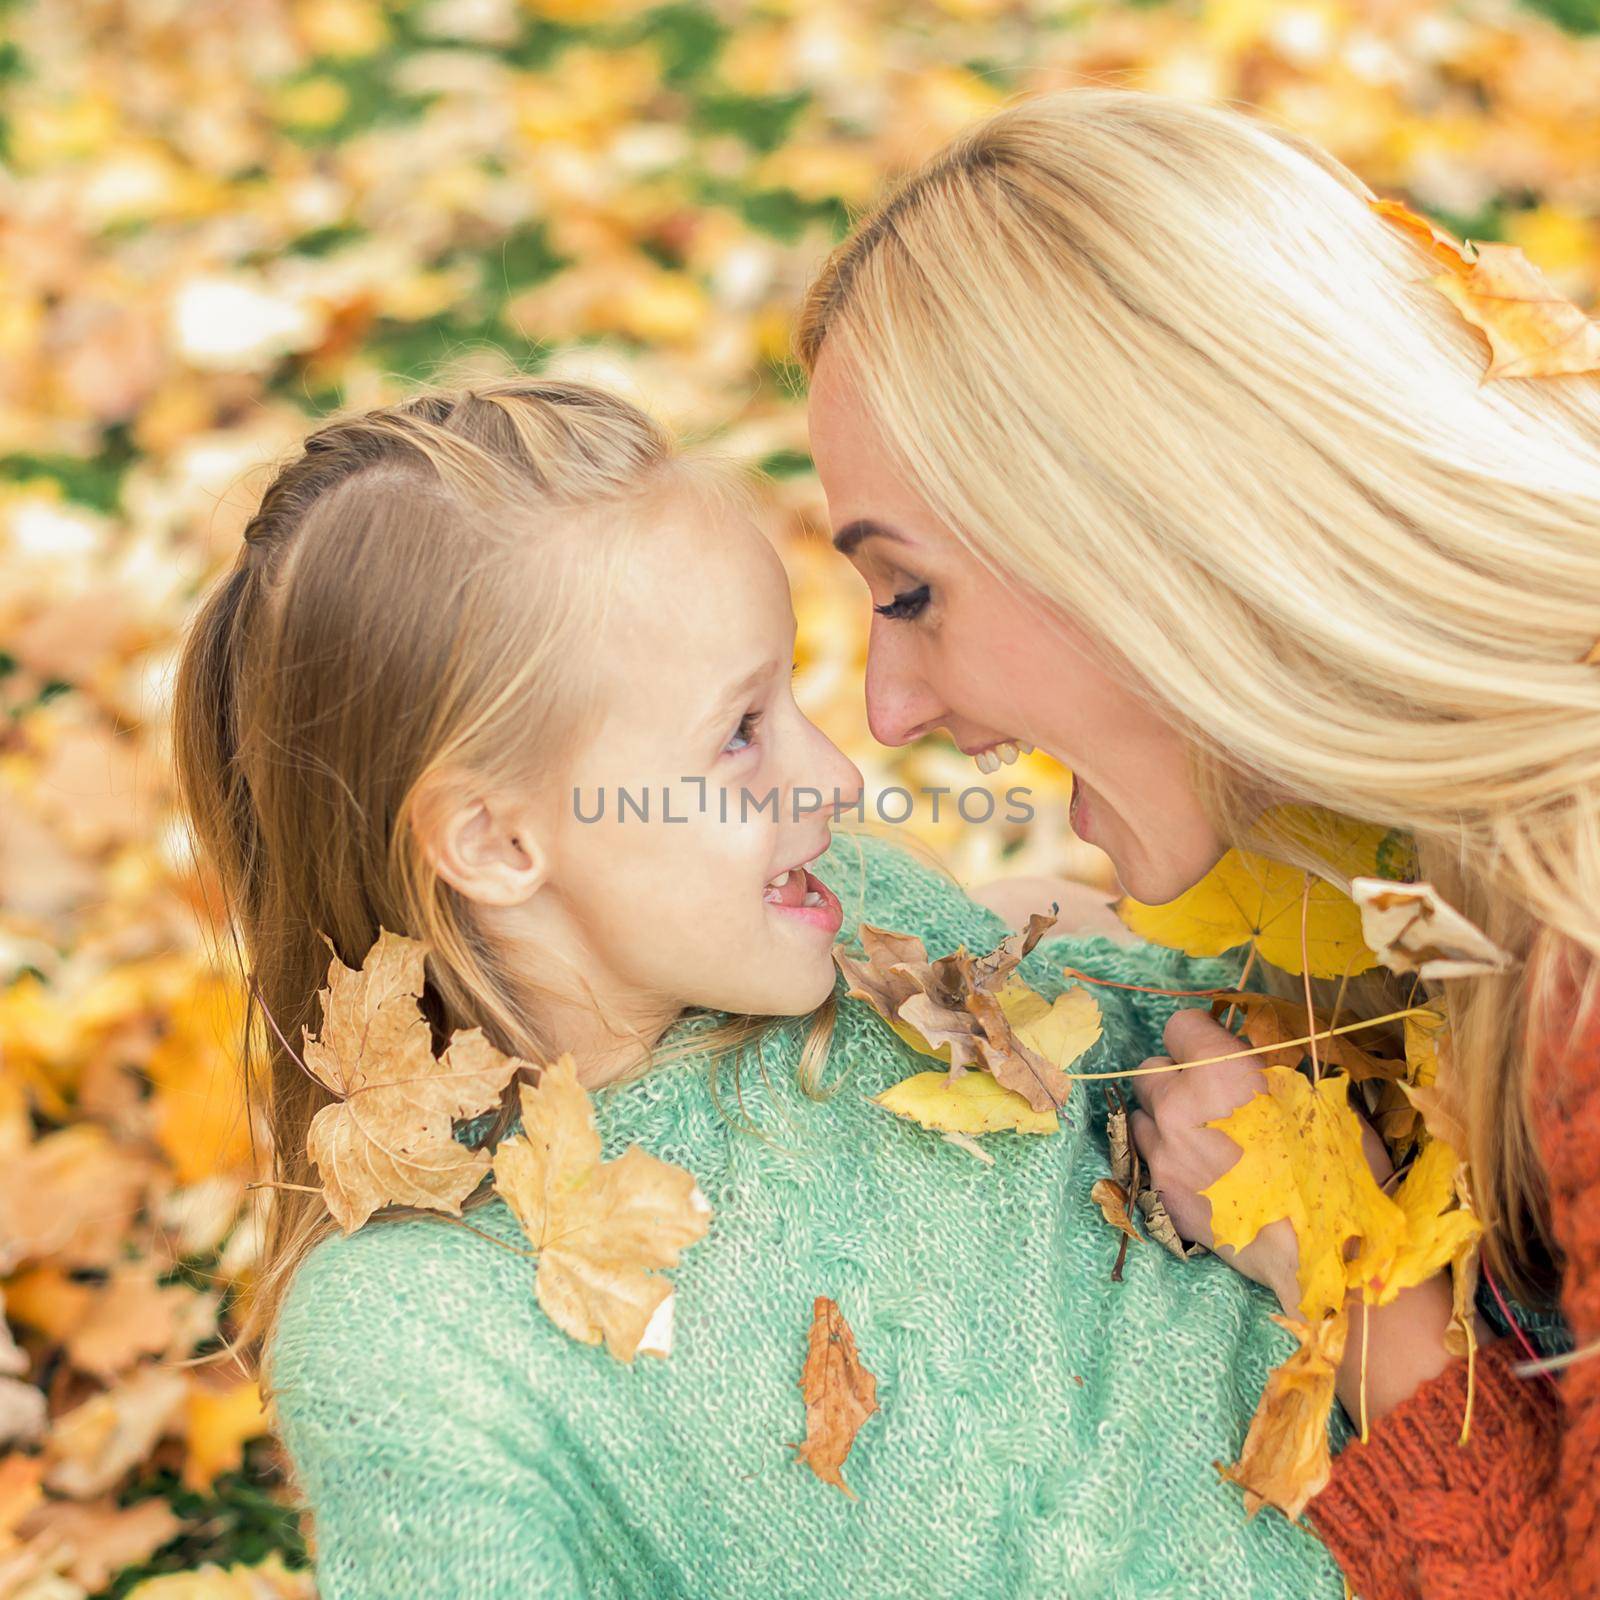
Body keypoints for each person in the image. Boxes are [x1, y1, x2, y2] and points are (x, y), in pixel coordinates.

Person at [173, 373, 1346, 1598]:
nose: (836, 777)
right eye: (740, 732)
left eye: (792, 698)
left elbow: (1239, 1027)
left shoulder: (867, 932)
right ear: (497, 843)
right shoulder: (424, 1334)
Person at [799, 85, 1600, 1596]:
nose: (887, 707)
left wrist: (1353, 1294)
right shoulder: (1442, 841)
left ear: (1147, 528)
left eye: (907, 593)